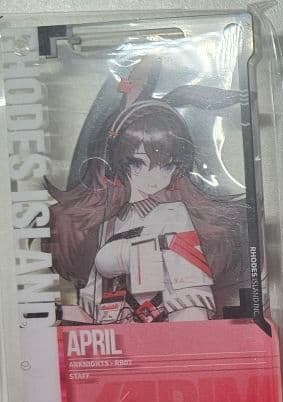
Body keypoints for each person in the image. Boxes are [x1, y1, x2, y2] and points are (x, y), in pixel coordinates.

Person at [48, 57, 247, 323]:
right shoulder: (109, 221)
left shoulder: (174, 215)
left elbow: (190, 292)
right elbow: (94, 293)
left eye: (167, 166)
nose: (153, 178)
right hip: (113, 328)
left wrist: (186, 329)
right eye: (138, 163)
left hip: (160, 326)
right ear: (118, 162)